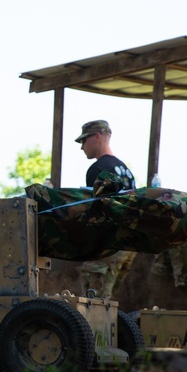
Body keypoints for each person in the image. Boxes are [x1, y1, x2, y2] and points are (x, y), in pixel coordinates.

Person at [26, 172, 187, 263]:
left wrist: (106, 193)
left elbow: (113, 208)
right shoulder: (186, 221)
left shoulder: (175, 213)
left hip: (55, 221)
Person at [74, 120, 137, 296]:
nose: (82, 147)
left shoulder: (98, 169)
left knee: (94, 303)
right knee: (108, 303)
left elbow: (95, 213)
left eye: (84, 141)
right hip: (127, 245)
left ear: (97, 136)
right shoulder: (125, 170)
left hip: (108, 245)